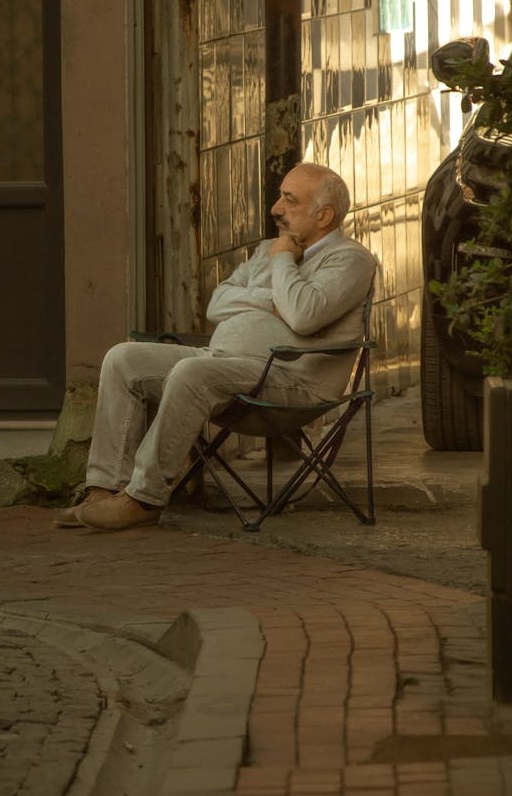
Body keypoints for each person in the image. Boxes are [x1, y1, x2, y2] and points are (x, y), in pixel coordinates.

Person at [55, 162, 377, 532]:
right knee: (122, 358)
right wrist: (271, 297)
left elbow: (304, 315)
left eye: (289, 200)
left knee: (193, 373)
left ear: (324, 215)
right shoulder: (269, 250)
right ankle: (104, 489)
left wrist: (285, 260)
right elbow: (217, 304)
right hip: (225, 363)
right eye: (279, 198)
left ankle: (143, 497)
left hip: (292, 382)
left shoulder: (350, 260)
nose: (276, 208)